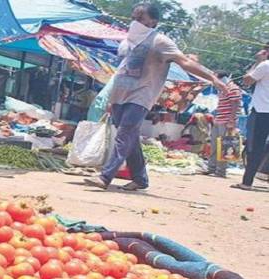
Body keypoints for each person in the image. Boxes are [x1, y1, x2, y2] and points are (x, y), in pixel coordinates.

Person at [84, 3, 226, 191]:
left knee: (124, 133)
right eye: (134, 17)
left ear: (153, 21)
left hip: (142, 94)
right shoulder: (126, 42)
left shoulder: (160, 41)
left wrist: (213, 78)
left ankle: (105, 176)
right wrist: (111, 98)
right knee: (130, 137)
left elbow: (185, 62)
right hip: (119, 95)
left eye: (141, 18)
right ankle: (141, 179)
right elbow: (121, 69)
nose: (135, 22)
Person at [233, 46, 269, 190]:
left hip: (262, 110)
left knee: (254, 147)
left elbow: (247, 80)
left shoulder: (265, 65)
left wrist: (258, 61)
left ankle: (247, 182)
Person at [206, 71, 242, 177]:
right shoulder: (222, 89)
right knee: (214, 145)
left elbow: (235, 104)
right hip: (219, 120)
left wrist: (231, 120)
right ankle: (211, 168)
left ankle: (221, 171)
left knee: (225, 147)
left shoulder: (233, 88)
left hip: (226, 121)